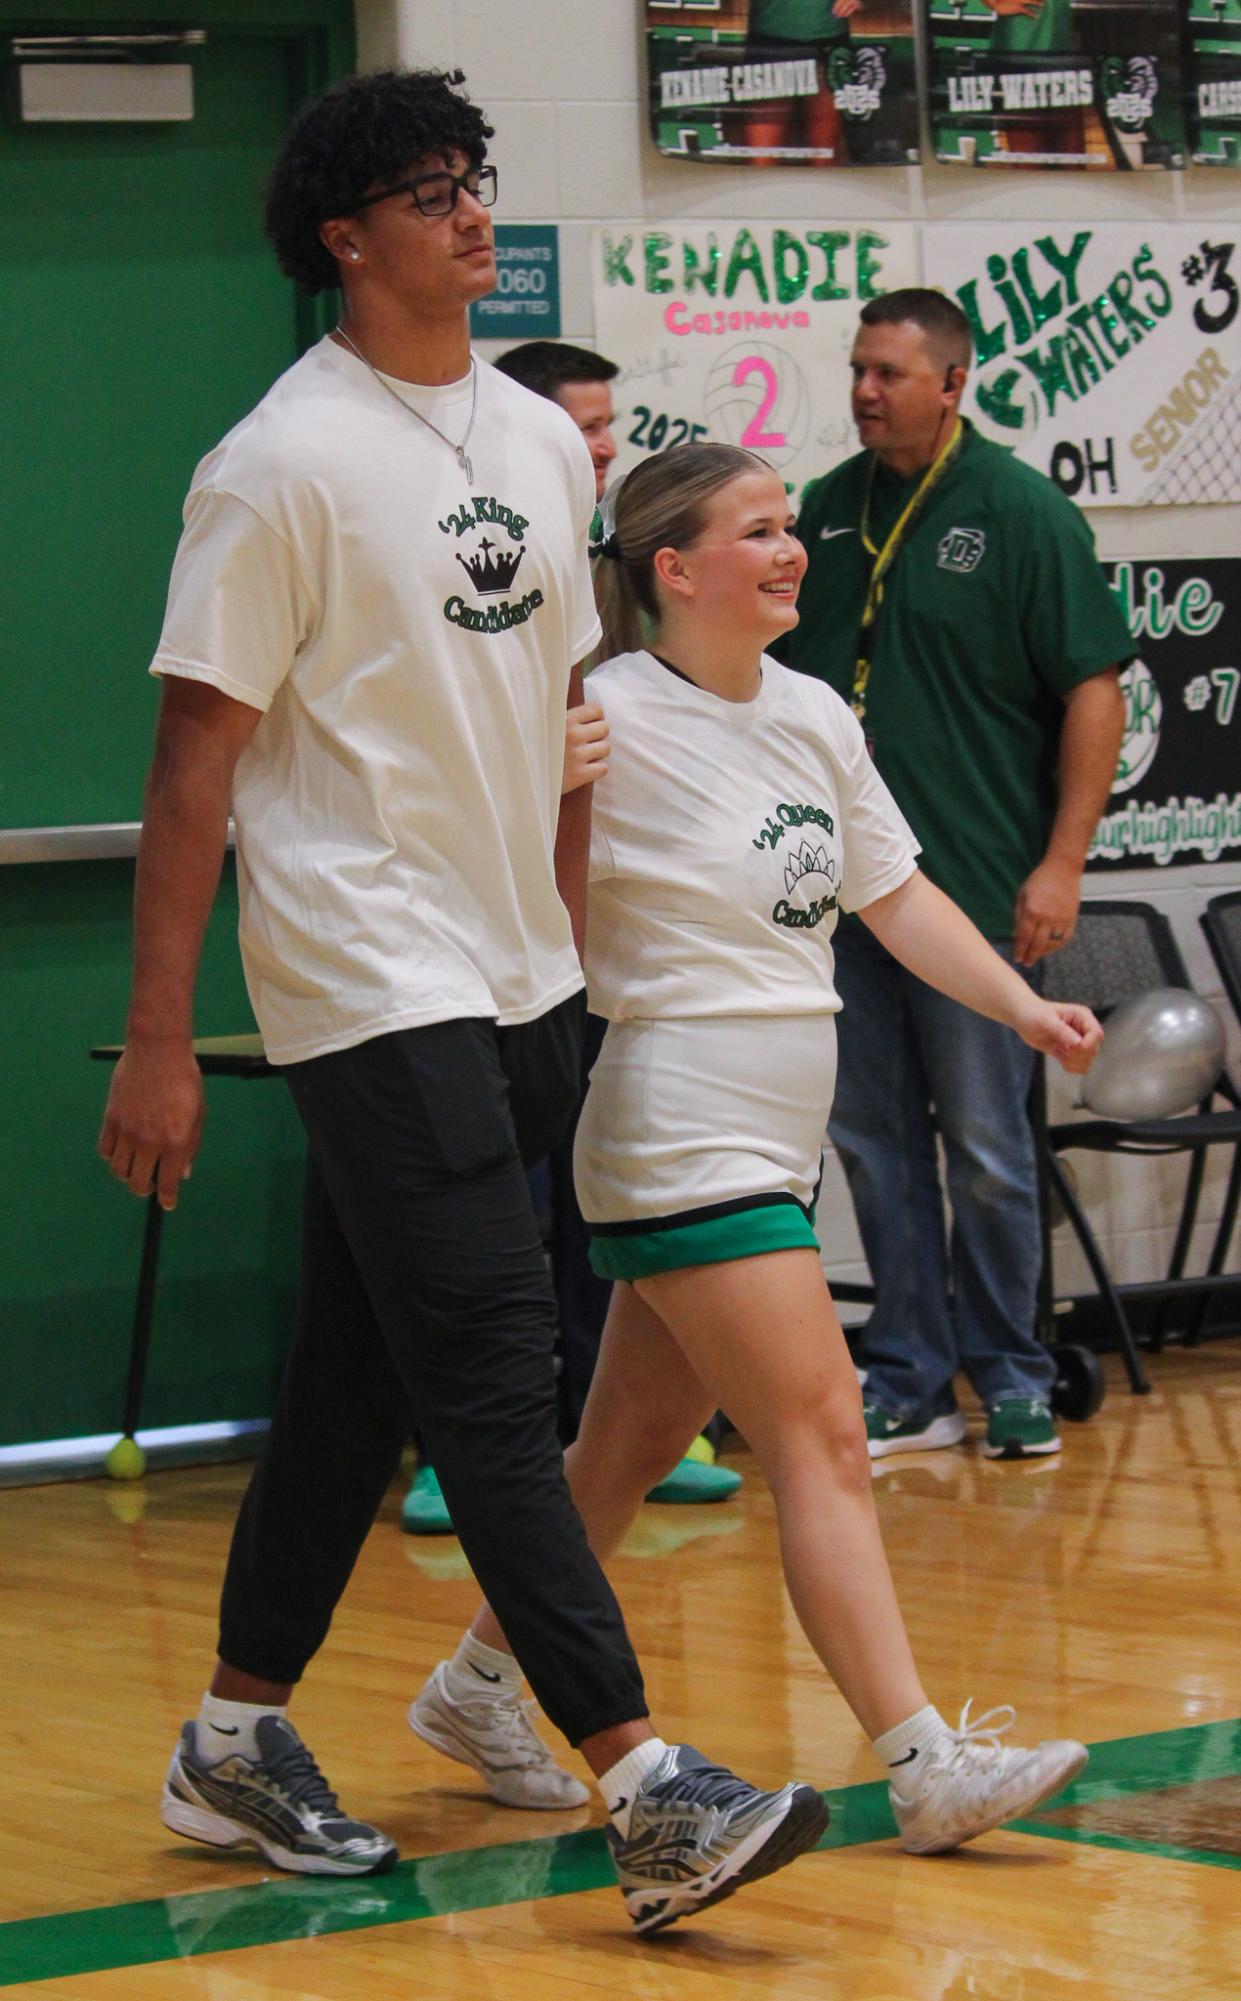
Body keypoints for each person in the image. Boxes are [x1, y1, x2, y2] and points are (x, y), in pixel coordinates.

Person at [96, 69, 830, 1936]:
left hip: (516, 979)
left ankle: (234, 1738)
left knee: (354, 1383)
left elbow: (552, 721)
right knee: (506, 1378)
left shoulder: (536, 439)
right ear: (346, 237)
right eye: (432, 191)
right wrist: (168, 1036)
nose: (474, 213)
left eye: (476, 180)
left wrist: (565, 947)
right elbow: (195, 767)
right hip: (364, 974)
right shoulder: (276, 465)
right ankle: (649, 1779)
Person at [414, 441, 1099, 1855]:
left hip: (772, 1137)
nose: (794, 549)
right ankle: (922, 1764)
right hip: (679, 1124)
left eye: (795, 526)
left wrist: (1023, 1005)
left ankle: (477, 1685)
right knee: (824, 1435)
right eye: (760, 530)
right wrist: (545, 792)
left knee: (617, 1454)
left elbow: (895, 896)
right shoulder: (597, 713)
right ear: (672, 569)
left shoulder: (809, 715)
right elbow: (515, 914)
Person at [779, 289, 1130, 1462]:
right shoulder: (823, 512)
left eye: (889, 373)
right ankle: (908, 1375)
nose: (865, 394)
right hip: (837, 900)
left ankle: (1012, 1375)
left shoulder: (1020, 513)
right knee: (875, 1147)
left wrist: (1060, 861)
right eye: (856, 371)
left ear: (952, 381)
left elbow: (1094, 687)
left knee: (983, 1149)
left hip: (973, 891)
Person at [400, 339, 738, 1535]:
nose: (599, 446)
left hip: (601, 948)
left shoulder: (628, 569)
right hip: (470, 947)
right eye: (577, 425)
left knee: (592, 1207)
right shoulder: (462, 554)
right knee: (500, 1215)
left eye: (607, 425)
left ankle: (620, 1435)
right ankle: (462, 1452)